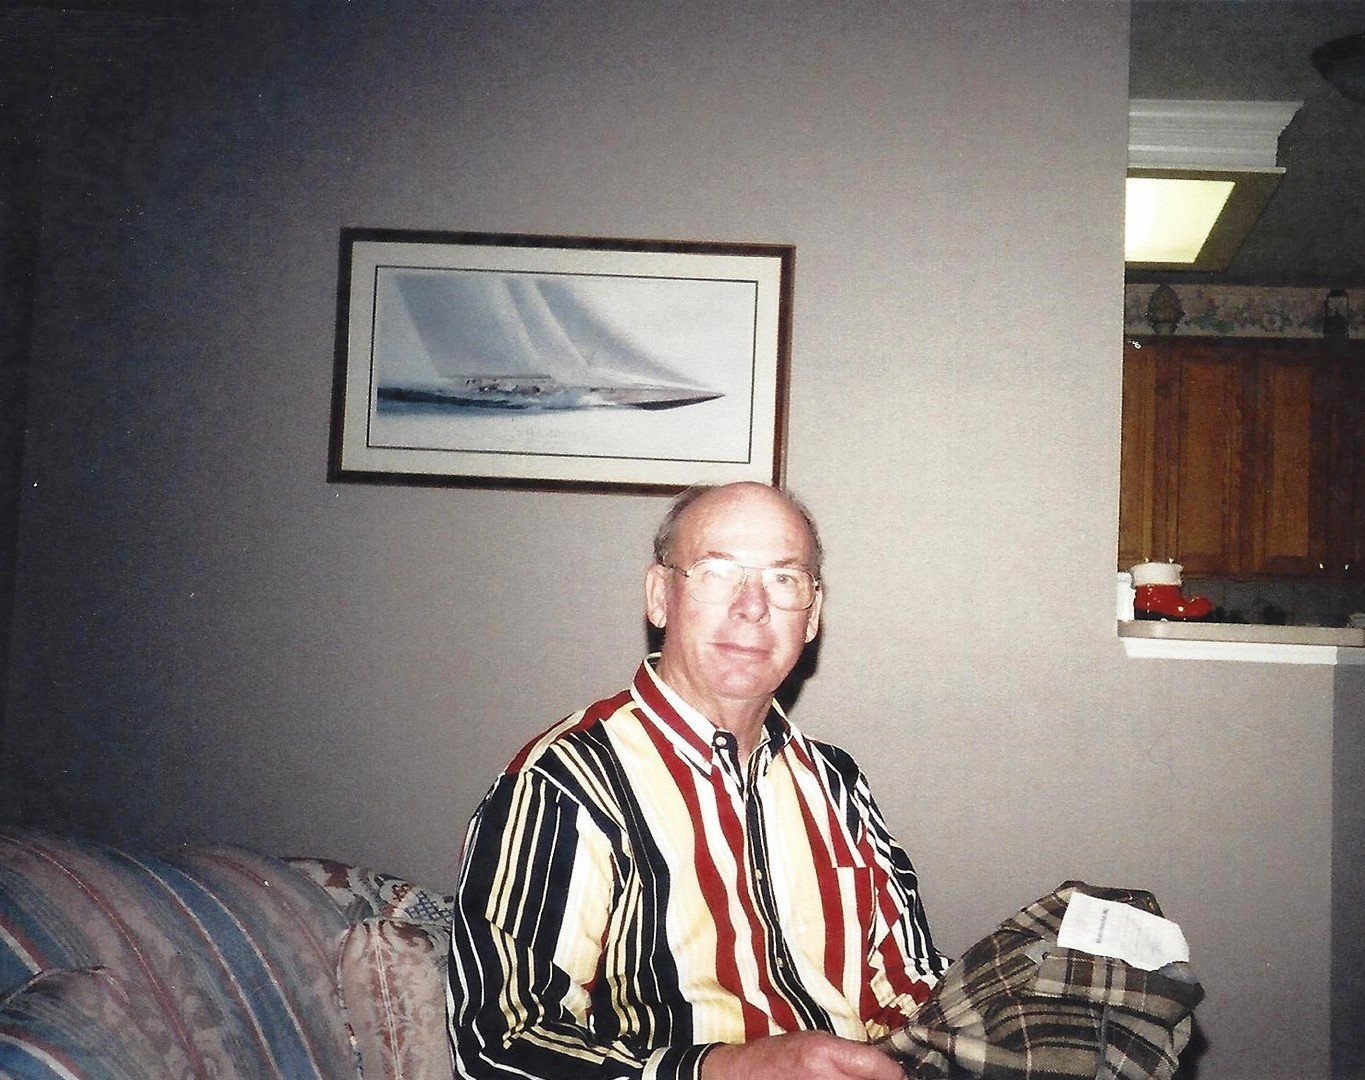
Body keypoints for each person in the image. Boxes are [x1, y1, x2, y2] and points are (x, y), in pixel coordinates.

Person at [448, 482, 947, 1080]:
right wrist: (726, 1070)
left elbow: (911, 989)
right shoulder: (565, 784)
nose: (752, 606)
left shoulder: (835, 781)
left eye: (783, 578)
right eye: (716, 572)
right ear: (660, 596)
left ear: (812, 614)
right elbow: (500, 1048)